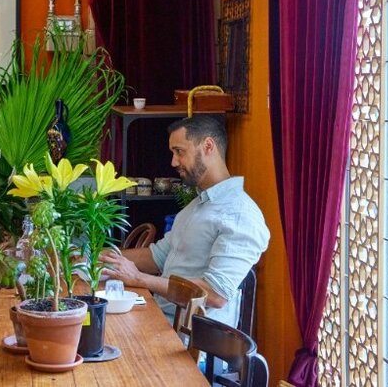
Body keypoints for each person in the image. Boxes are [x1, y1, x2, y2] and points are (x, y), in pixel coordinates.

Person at [101, 115, 270, 327]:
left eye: (179, 151)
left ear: (208, 146)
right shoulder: (197, 205)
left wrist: (140, 279)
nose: (173, 162)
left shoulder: (240, 214)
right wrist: (98, 258)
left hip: (193, 346)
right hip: (162, 322)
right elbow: (157, 256)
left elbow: (215, 294)